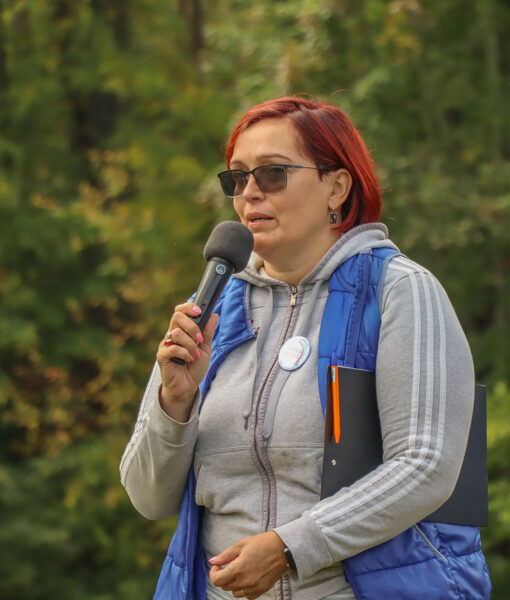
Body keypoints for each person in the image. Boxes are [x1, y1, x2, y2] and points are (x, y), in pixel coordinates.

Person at [120, 96, 491, 600]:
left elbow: (425, 466)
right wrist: (175, 403)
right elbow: (148, 498)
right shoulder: (208, 311)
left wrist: (290, 547)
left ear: (336, 187)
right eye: (237, 178)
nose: (250, 192)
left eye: (272, 174)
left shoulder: (399, 291)